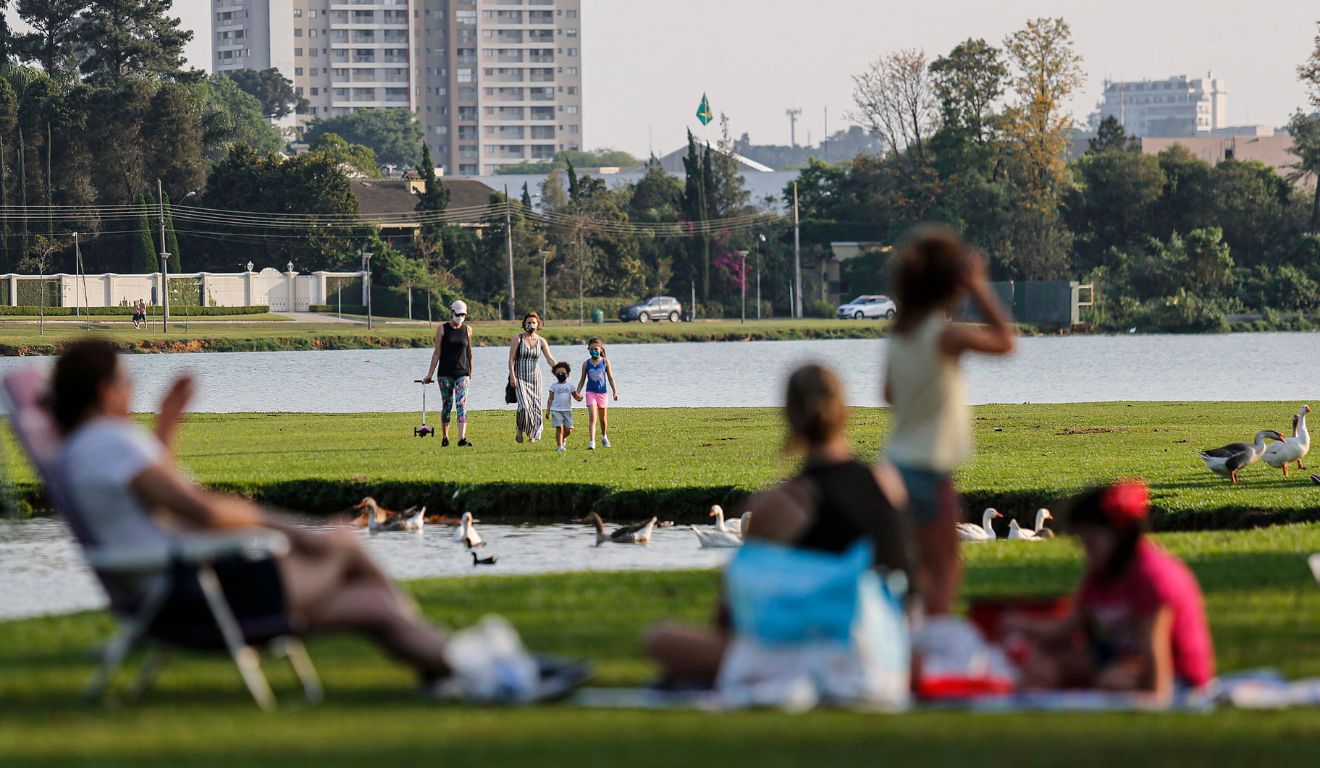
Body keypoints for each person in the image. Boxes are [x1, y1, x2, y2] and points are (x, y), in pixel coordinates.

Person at [50, 339, 457, 694]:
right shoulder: (110, 441)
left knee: (374, 604)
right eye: (127, 383)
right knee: (343, 541)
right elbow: (200, 509)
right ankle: (468, 664)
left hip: (177, 591)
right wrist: (292, 530)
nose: (131, 392)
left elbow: (157, 508)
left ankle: (454, 670)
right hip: (200, 593)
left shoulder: (85, 449)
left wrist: (166, 428)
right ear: (105, 392)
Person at [645, 364, 915, 687]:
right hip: (891, 656)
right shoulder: (889, 484)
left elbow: (731, 614)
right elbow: (910, 583)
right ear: (845, 411)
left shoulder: (779, 504)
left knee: (661, 639)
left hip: (823, 659)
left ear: (789, 417)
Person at [882, 226, 1015, 617]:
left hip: (894, 464)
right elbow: (1005, 341)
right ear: (951, 285)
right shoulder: (944, 337)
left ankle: (908, 639)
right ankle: (933, 644)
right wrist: (979, 286)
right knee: (945, 568)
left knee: (912, 567)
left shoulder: (900, 335)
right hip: (929, 468)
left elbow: (888, 394)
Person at [1004, 480, 1215, 698]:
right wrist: (1022, 626)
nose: (1087, 551)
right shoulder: (1101, 573)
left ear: (1120, 535)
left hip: (1176, 678)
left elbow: (1155, 654)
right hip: (1120, 661)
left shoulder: (1152, 577)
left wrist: (1153, 701)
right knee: (1046, 666)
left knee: (1112, 681)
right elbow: (1067, 627)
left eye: (1091, 542)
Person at [422, 300, 475, 447]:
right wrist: (430, 374)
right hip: (445, 373)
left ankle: (461, 438)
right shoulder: (442, 329)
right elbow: (437, 353)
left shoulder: (468, 330)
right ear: (452, 313)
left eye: (463, 315)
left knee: (461, 404)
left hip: (462, 372)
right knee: (447, 404)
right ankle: (445, 436)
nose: (460, 317)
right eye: (457, 314)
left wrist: (471, 369)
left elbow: (469, 351)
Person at [507, 312, 558, 443]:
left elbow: (550, 359)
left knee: (535, 407)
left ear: (538, 324)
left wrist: (560, 369)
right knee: (524, 406)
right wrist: (513, 376)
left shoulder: (541, 341)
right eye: (528, 323)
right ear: (524, 324)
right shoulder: (517, 338)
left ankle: (532, 435)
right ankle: (519, 427)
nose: (531, 325)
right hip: (520, 377)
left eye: (533, 323)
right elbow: (511, 359)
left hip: (535, 378)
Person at [575, 337, 618, 450]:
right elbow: (582, 380)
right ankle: (592, 442)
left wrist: (615, 392)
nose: (593, 351)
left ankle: (604, 437)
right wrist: (577, 392)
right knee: (592, 417)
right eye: (591, 349)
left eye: (596, 349)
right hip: (591, 393)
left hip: (603, 394)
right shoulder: (586, 364)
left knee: (603, 419)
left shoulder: (605, 362)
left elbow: (610, 378)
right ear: (588, 349)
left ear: (601, 349)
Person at [547, 362, 582, 452]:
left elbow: (576, 396)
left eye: (563, 373)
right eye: (558, 373)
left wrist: (579, 398)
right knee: (559, 428)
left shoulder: (570, 386)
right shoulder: (553, 386)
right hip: (556, 410)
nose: (560, 374)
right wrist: (548, 411)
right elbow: (550, 399)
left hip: (567, 410)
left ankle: (561, 439)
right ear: (555, 374)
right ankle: (560, 446)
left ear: (568, 374)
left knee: (569, 429)